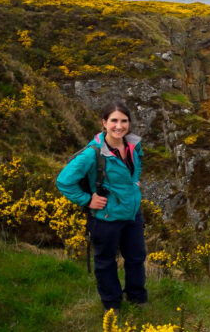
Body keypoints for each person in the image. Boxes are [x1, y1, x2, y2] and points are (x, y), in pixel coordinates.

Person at [56, 101, 147, 312]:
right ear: (104, 123)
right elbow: (63, 181)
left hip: (132, 214)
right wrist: (87, 200)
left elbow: (136, 166)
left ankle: (137, 299)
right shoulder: (93, 153)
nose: (119, 126)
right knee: (106, 262)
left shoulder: (133, 145)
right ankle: (112, 305)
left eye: (124, 121)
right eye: (114, 121)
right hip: (105, 218)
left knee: (136, 258)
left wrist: (133, 182)